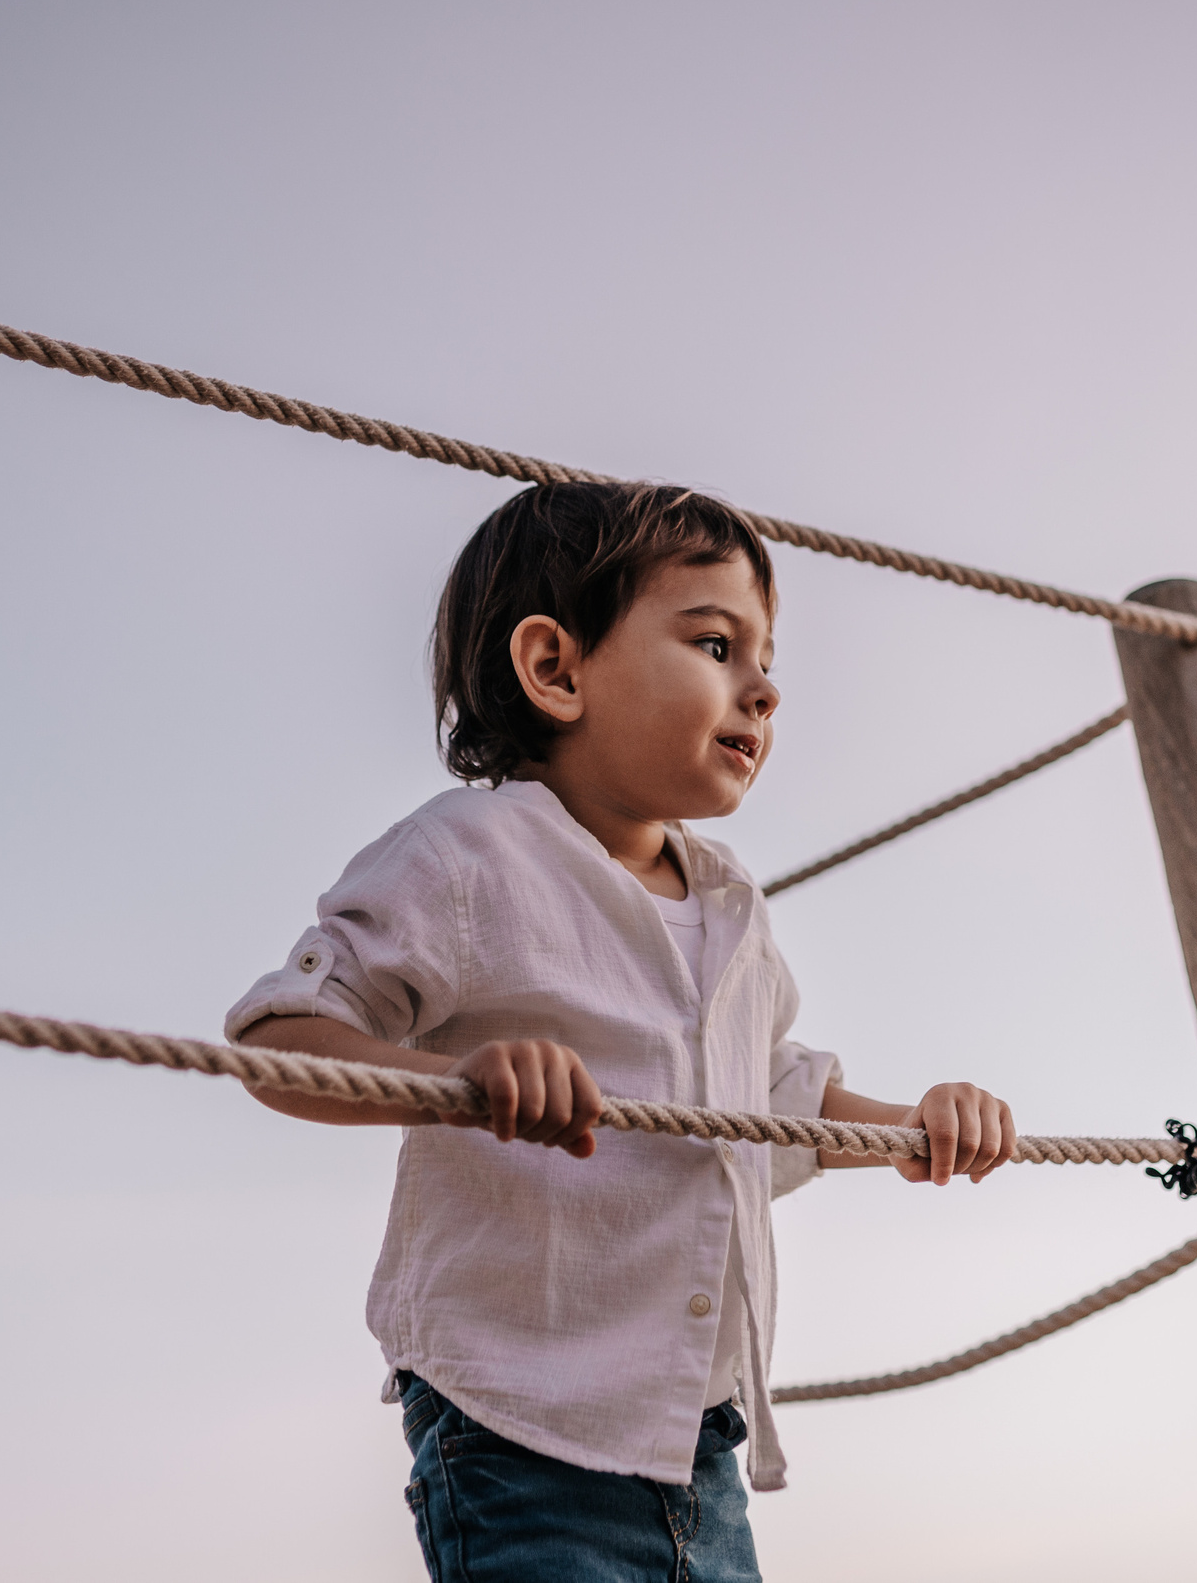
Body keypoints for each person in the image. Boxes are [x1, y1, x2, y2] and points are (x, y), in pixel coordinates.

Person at [226, 480, 1016, 1582]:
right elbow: (280, 1038)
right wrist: (455, 1077)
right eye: (713, 643)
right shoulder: (468, 856)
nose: (764, 689)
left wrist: (915, 1123)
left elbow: (763, 1091)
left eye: (766, 658)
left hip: (699, 1446)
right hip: (518, 1436)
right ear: (556, 670)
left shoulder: (731, 904)